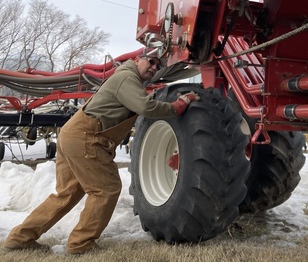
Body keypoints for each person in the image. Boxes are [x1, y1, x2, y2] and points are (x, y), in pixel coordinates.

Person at [2, 48, 199, 255]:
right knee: (107, 189)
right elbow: (145, 107)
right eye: (151, 61)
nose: (154, 67)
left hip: (73, 135)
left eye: (159, 66)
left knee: (66, 194)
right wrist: (177, 105)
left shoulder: (126, 78)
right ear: (137, 59)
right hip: (86, 137)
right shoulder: (127, 77)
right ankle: (81, 243)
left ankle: (19, 238)